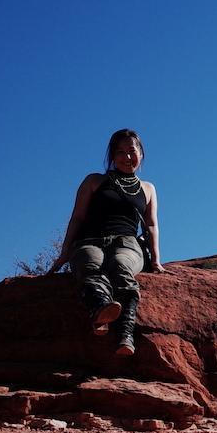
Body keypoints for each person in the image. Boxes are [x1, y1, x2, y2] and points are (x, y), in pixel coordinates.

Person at [48, 129, 165, 356]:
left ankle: (125, 334)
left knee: (121, 265)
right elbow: (77, 217)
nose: (127, 157)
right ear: (112, 156)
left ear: (141, 154)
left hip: (127, 243)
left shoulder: (148, 188)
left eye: (132, 151)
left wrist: (156, 261)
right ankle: (101, 310)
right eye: (120, 152)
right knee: (90, 264)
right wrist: (64, 253)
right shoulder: (94, 181)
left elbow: (151, 225)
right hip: (90, 240)